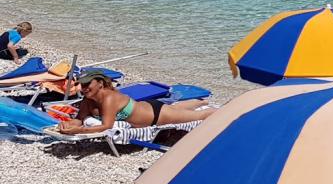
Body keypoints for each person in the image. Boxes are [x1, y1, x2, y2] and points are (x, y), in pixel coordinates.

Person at [56, 69, 215, 134]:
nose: (83, 88)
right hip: (148, 107)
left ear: (100, 83)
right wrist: (66, 125)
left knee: (199, 116)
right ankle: (198, 102)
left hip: (156, 115)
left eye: (87, 84)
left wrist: (80, 131)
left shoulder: (109, 99)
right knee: (176, 108)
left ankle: (226, 110)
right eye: (81, 85)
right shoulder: (88, 99)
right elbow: (79, 119)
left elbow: (107, 126)